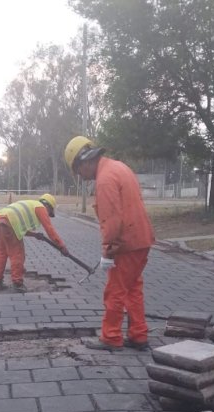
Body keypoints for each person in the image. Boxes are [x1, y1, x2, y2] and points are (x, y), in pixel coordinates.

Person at [64, 135, 155, 351]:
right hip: (141, 239)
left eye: (78, 171)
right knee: (133, 288)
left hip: (126, 244)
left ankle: (111, 337)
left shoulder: (104, 180)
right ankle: (138, 335)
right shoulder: (119, 167)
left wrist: (107, 252)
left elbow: (112, 221)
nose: (80, 176)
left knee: (115, 291)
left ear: (85, 161)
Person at [0, 193, 69, 293]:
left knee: (1, 253)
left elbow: (20, 227)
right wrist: (61, 246)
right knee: (17, 254)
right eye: (49, 212)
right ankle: (17, 283)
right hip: (9, 222)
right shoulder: (41, 208)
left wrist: (34, 235)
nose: (48, 214)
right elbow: (50, 229)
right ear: (48, 206)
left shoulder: (30, 204)